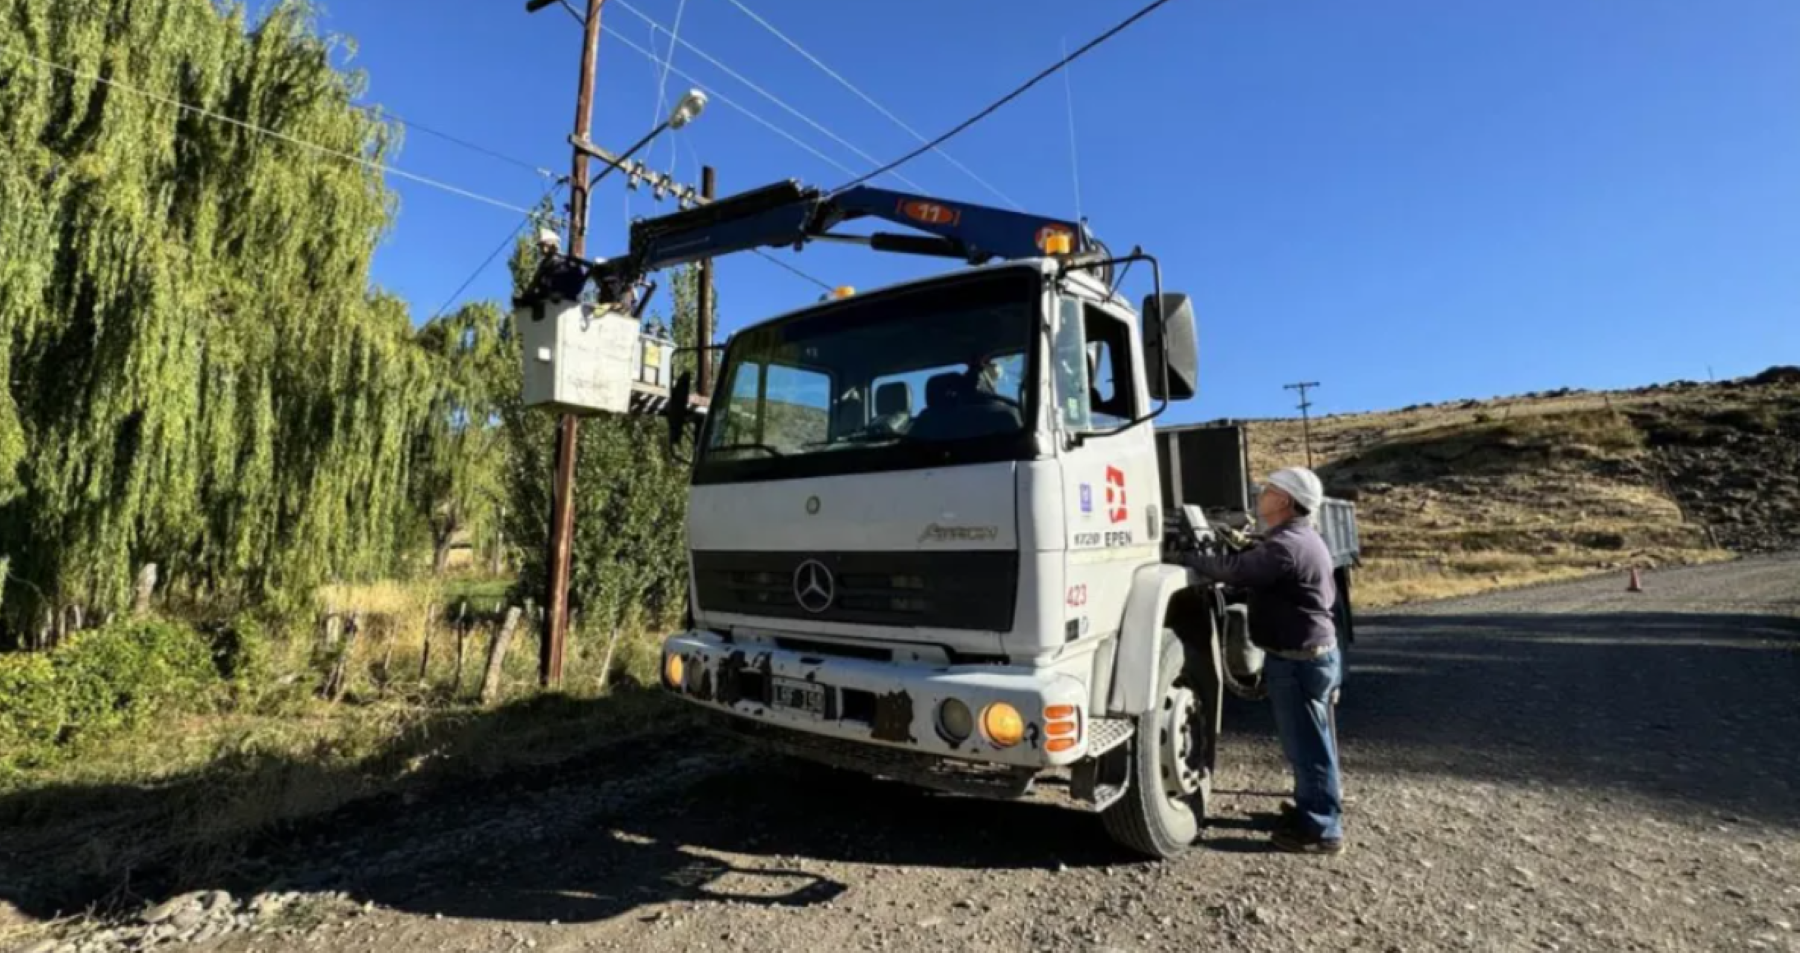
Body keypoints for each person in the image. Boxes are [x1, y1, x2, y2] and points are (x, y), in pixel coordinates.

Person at [1182, 466, 1345, 854]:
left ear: (1286, 501)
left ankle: (1322, 831)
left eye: (1269, 490)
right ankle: (1312, 810)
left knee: (1308, 748)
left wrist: (1187, 557)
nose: (1261, 493)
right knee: (1310, 742)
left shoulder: (1287, 546)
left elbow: (1234, 570)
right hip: (1310, 657)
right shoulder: (1298, 538)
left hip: (1299, 662)